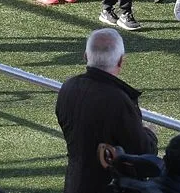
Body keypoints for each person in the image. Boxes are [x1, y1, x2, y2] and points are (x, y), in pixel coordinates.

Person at [56, 28, 157, 193]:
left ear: (86, 56)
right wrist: (149, 133)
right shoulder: (118, 99)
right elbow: (142, 150)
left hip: (75, 182)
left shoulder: (68, 87)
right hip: (109, 186)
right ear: (121, 62)